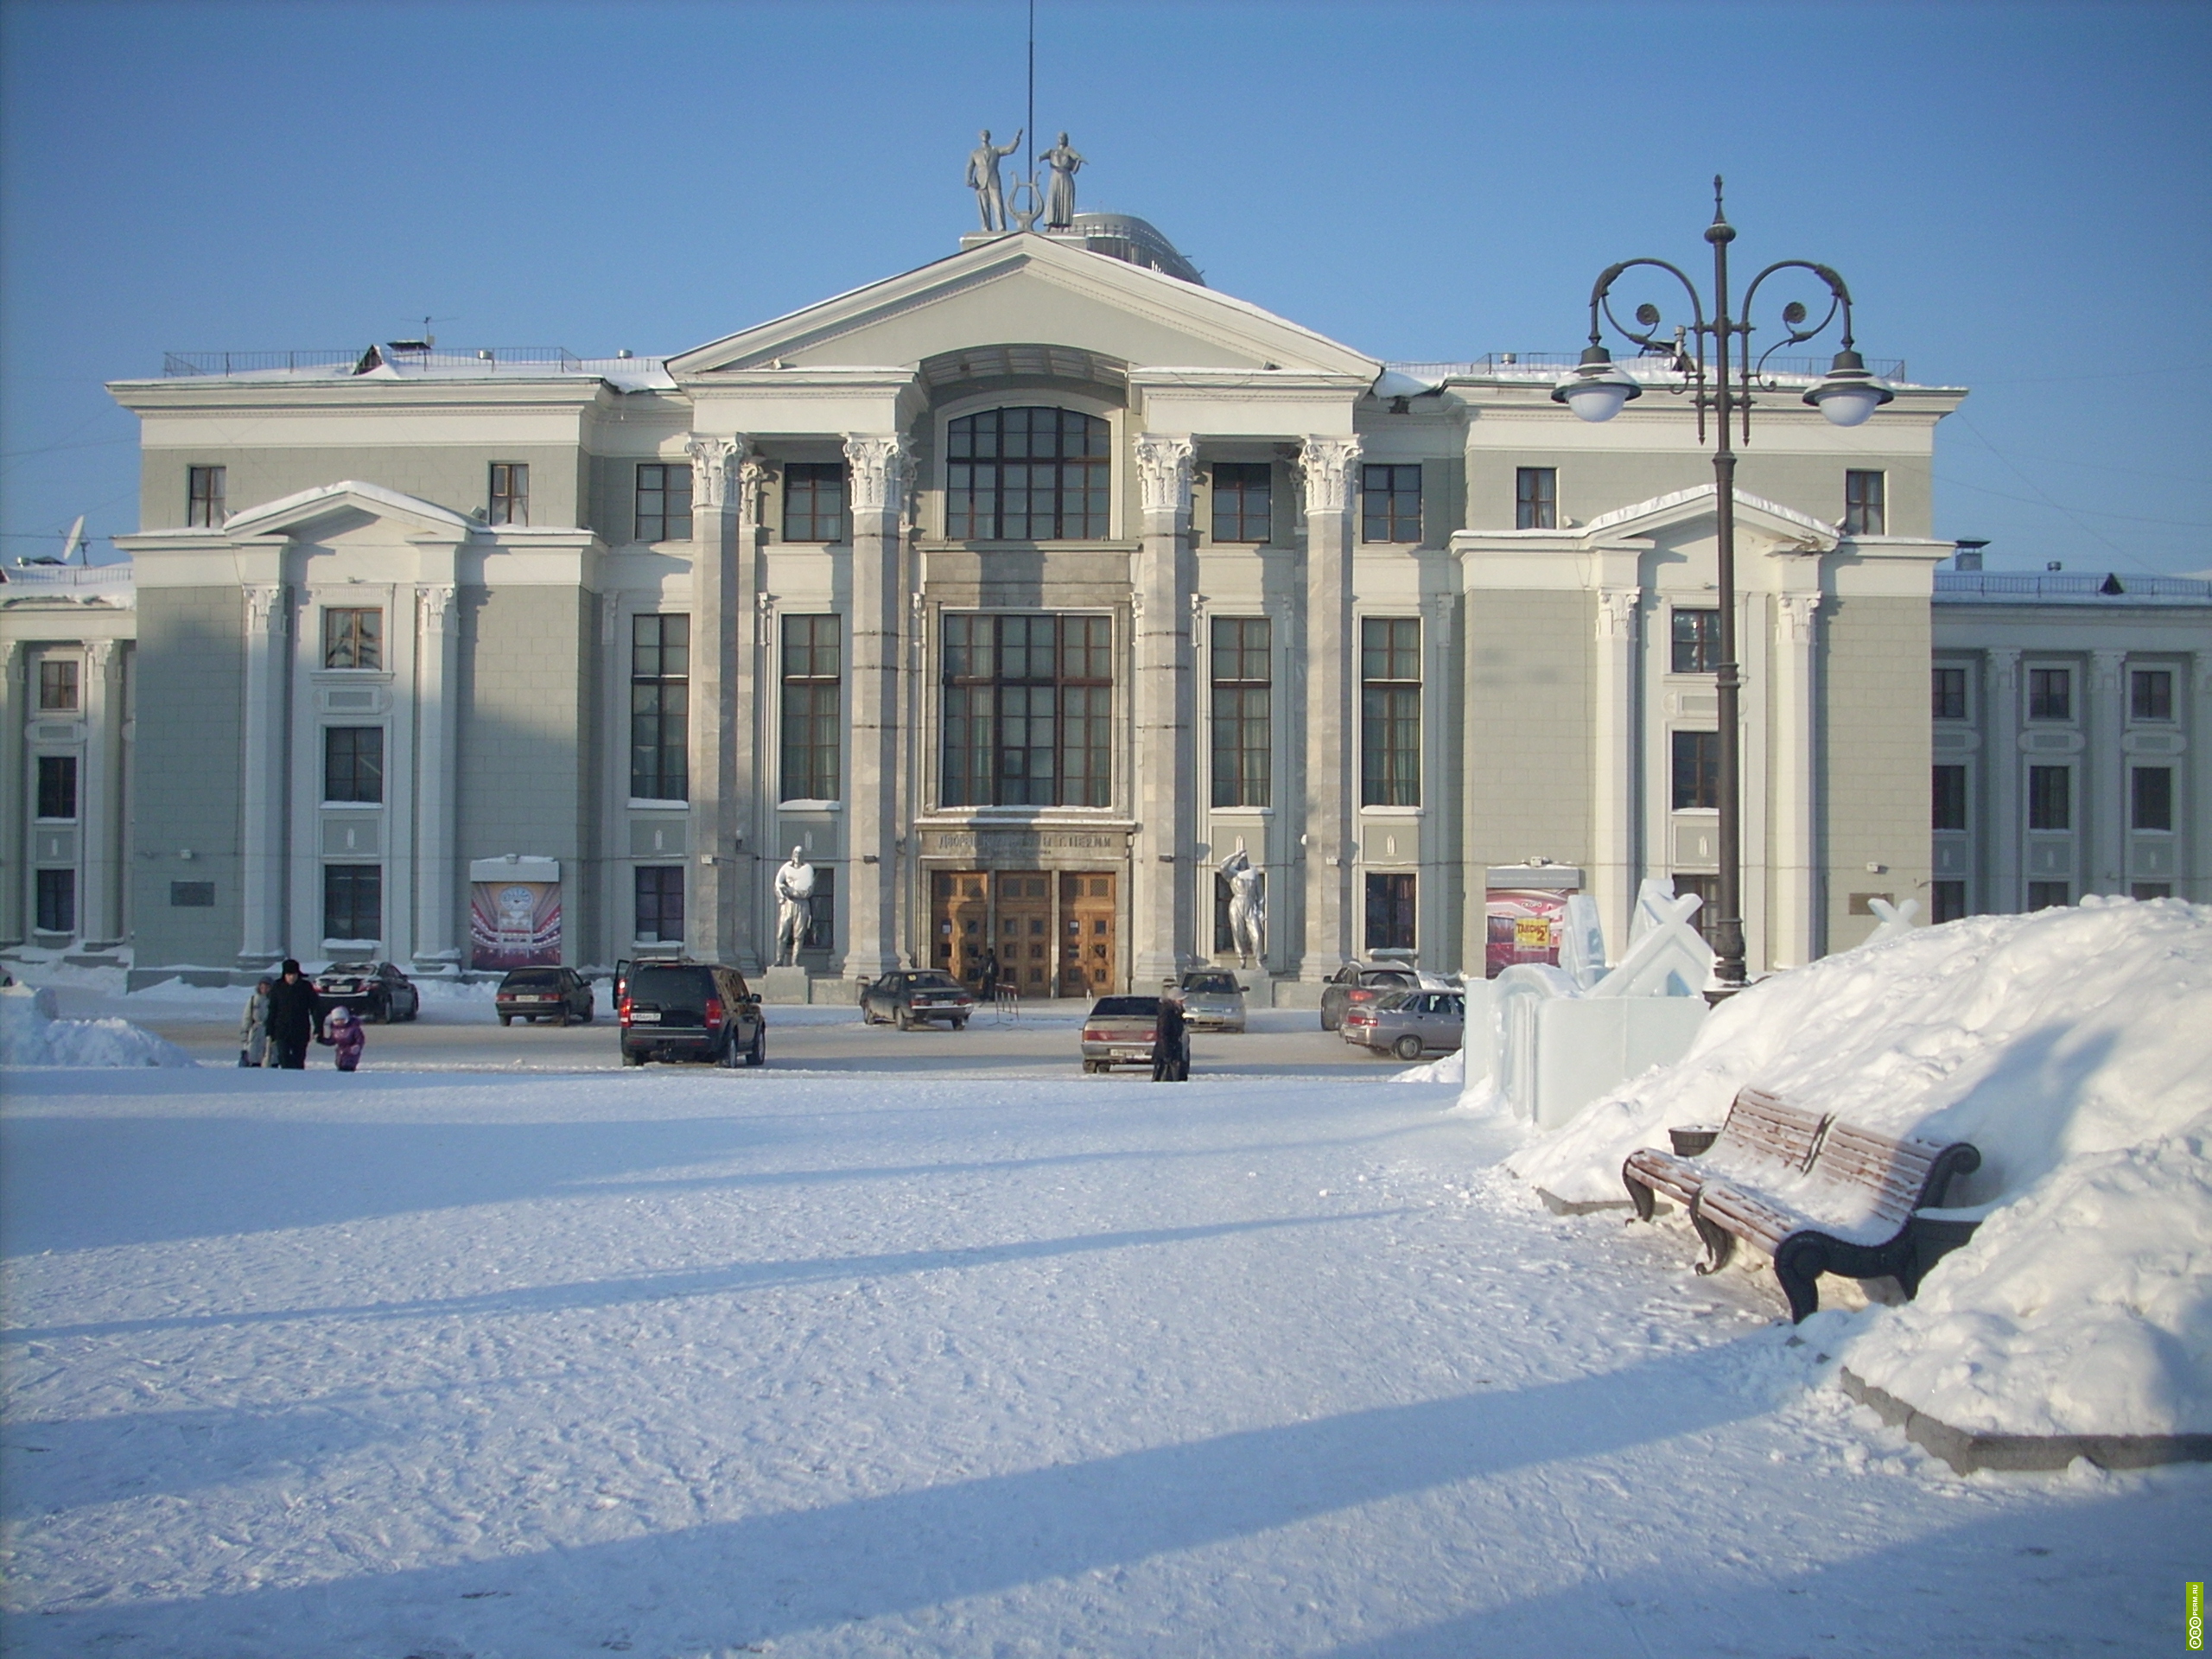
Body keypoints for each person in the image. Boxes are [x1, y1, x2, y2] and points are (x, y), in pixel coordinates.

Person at [264, 959, 321, 1070]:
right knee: (283, 1058)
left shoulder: (305, 987)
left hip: (300, 1030)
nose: (292, 977)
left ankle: (298, 1081)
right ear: (284, 975)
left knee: (298, 1060)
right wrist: (269, 1030)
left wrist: (318, 1028)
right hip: (281, 1029)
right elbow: (272, 1010)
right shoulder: (278, 987)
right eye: (289, 975)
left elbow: (315, 1009)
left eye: (294, 974)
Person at [1152, 984, 1189, 1083]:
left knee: (1177, 1080)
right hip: (1167, 1054)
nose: (1182, 1003)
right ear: (1173, 1001)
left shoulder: (1176, 1013)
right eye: (1180, 1001)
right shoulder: (1167, 1013)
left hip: (1174, 1051)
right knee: (1166, 1080)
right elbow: (1163, 1034)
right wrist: (1167, 1054)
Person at [320, 1004, 365, 1072]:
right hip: (341, 1052)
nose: (340, 1022)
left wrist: (357, 1046)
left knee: (348, 1066)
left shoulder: (353, 1028)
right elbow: (333, 1040)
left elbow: (360, 1039)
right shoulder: (334, 1029)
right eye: (337, 1020)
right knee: (340, 1065)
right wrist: (321, 1040)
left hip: (351, 1052)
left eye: (342, 1020)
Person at [238, 977, 272, 1067]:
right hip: (255, 1032)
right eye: (262, 987)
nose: (264, 989)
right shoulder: (253, 1000)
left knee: (269, 1059)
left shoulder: (274, 1000)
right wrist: (244, 1033)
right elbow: (247, 1018)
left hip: (269, 1032)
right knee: (253, 1057)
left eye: (267, 987)